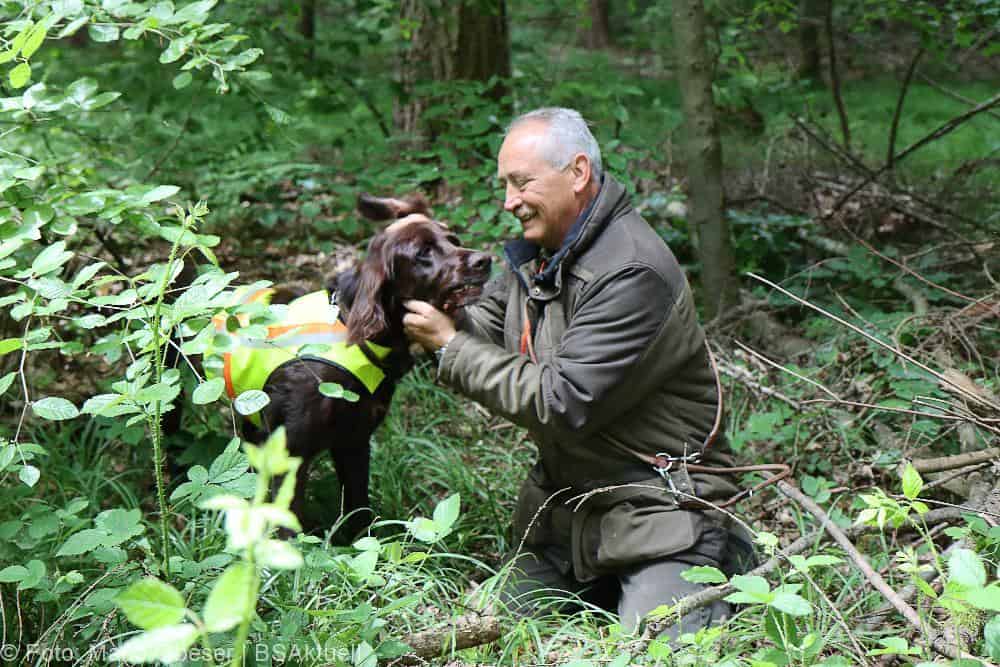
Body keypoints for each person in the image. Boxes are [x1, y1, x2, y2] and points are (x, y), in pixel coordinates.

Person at [402, 107, 752, 637]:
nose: (508, 201)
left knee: (662, 648)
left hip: (663, 512)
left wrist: (447, 345)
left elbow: (562, 401)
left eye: (521, 183)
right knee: (490, 631)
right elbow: (487, 332)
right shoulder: (542, 255)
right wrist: (413, 286)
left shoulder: (632, 270)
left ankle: (712, 567)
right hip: (569, 515)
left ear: (578, 172)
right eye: (504, 185)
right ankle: (606, 584)